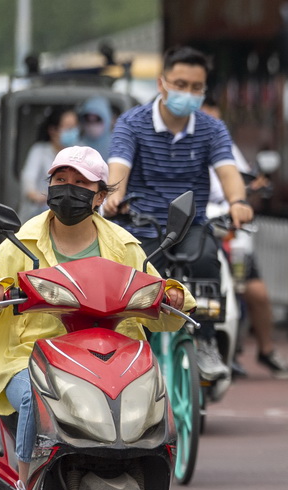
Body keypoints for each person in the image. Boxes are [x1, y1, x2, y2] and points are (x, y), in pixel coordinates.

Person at [0, 146, 194, 490]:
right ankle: (25, 488)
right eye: (61, 180)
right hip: (28, 357)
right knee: (35, 396)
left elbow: (165, 313)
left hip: (110, 359)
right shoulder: (21, 242)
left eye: (81, 183)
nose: (69, 189)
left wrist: (175, 296)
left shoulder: (124, 246)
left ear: (100, 196)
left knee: (150, 397)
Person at [102, 46, 254, 382]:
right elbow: (118, 168)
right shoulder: (132, 123)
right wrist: (113, 198)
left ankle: (206, 341)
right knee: (135, 284)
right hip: (141, 226)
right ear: (162, 83)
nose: (188, 93)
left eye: (196, 87)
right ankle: (127, 349)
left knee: (207, 261)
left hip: (190, 225)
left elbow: (228, 172)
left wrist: (238, 202)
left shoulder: (212, 129)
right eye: (180, 84)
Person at [199, 98, 288, 379]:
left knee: (256, 293)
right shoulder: (176, 144)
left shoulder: (223, 144)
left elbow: (243, 182)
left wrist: (246, 195)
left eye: (216, 121)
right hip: (195, 232)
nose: (212, 126)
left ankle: (264, 349)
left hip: (228, 235)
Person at [19, 107, 79, 217]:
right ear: (53, 130)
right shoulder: (39, 151)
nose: (73, 131)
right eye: (68, 127)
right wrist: (40, 198)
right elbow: (28, 182)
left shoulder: (79, 152)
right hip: (38, 213)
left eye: (75, 127)